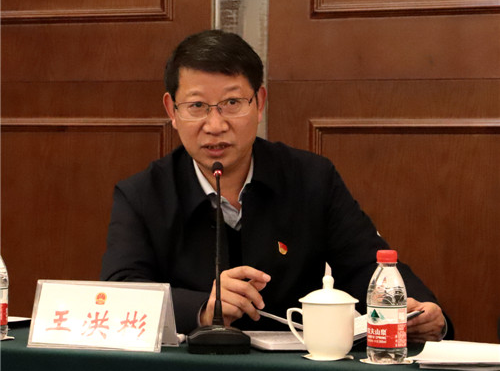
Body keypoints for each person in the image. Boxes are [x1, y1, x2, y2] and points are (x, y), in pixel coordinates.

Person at [100, 29, 451, 341]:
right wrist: (202, 308)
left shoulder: (311, 178)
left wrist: (421, 311)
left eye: (232, 103)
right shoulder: (142, 195)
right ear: (172, 111)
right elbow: (121, 292)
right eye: (197, 106)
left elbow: (366, 265)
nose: (215, 125)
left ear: (260, 103)